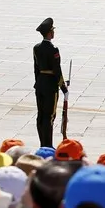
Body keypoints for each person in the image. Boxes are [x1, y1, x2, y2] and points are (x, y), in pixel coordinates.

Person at [33, 18, 69, 149]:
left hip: (40, 84)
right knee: (49, 116)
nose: (53, 33)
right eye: (52, 31)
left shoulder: (36, 48)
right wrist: (63, 87)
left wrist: (38, 82)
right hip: (50, 85)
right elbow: (57, 70)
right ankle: (48, 145)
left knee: (40, 115)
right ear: (49, 33)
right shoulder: (54, 49)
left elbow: (36, 68)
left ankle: (42, 143)